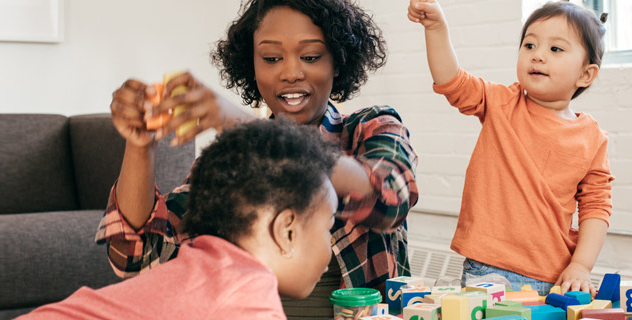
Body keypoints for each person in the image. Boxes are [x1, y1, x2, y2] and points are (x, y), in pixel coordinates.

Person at [98, 0, 418, 317]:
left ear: (337, 61)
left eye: (310, 56)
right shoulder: (236, 159)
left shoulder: (372, 127)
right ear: (252, 64)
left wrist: (239, 124)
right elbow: (137, 258)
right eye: (271, 58)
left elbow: (390, 198)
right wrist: (139, 146)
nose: (291, 72)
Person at [22, 120, 338, 319]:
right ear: (286, 231)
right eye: (328, 228)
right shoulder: (247, 303)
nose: (329, 248)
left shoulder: (197, 268)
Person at [408, 0, 614, 295]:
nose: (538, 56)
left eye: (555, 49)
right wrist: (437, 28)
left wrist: (581, 265)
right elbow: (451, 82)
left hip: (554, 277)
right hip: (488, 271)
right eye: (529, 45)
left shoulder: (593, 137)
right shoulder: (501, 102)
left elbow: (596, 207)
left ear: (585, 75)